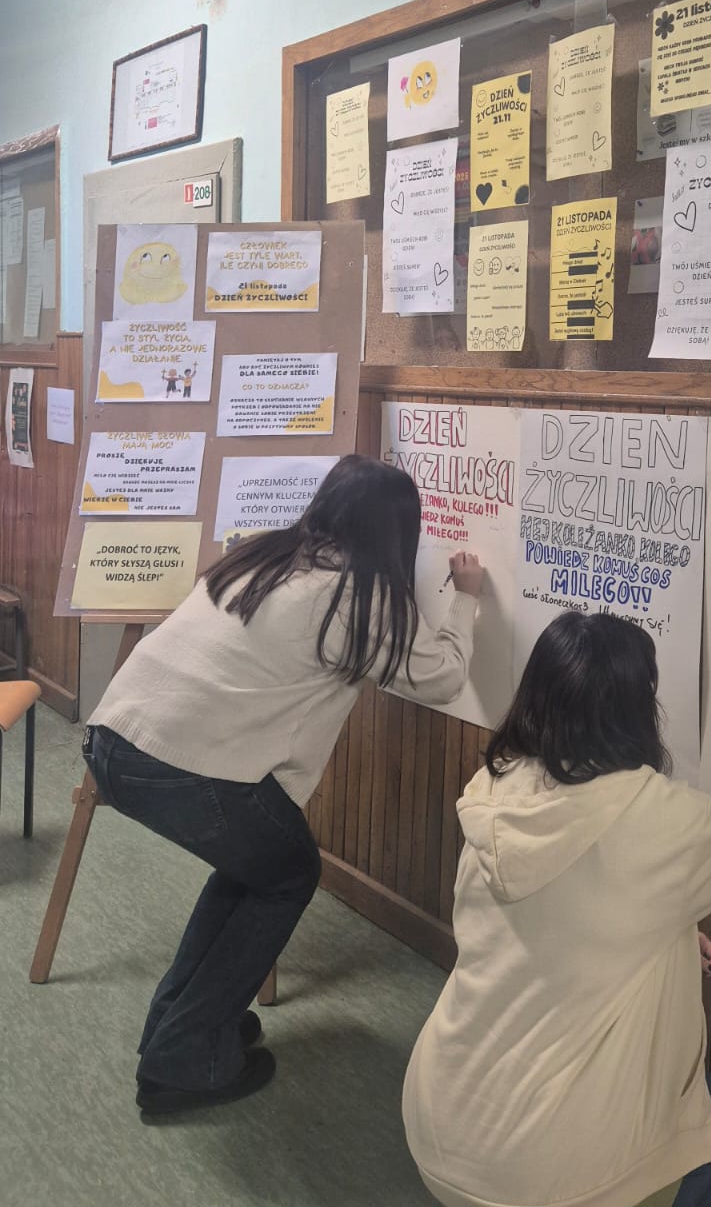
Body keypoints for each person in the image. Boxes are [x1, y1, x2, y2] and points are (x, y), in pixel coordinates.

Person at [83, 454, 483, 1116]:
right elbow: (440, 676)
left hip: (113, 741)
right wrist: (466, 595)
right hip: (183, 769)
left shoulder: (265, 552)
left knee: (255, 867)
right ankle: (182, 1056)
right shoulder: (357, 593)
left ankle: (186, 1025)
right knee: (289, 872)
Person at [403, 614, 711, 1207]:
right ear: (637, 711)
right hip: (548, 1176)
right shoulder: (654, 816)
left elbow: (558, 920)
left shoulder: (496, 788)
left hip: (440, 1120)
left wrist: (669, 932)